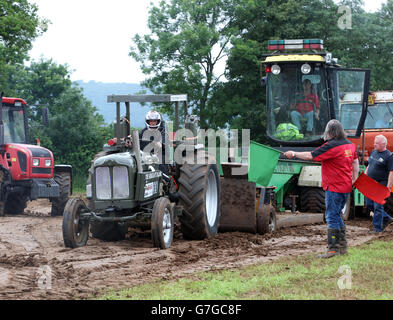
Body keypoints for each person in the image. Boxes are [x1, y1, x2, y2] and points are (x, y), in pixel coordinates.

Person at [283, 119, 359, 258]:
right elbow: (355, 162)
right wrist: (354, 179)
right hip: (346, 187)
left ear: (329, 132)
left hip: (334, 187)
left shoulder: (330, 146)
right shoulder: (350, 145)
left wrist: (294, 153)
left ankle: (333, 249)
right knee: (337, 215)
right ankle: (342, 247)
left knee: (331, 216)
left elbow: (311, 155)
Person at [365, 135, 393, 233]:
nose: (374, 144)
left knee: (377, 206)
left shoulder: (389, 156)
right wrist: (365, 175)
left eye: (376, 143)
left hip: (381, 184)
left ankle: (377, 229)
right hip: (371, 183)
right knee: (369, 204)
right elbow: (369, 165)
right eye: (374, 142)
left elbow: (391, 172)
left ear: (383, 144)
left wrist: (389, 185)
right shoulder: (373, 152)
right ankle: (387, 218)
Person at [139, 110, 170, 176]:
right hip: (145, 155)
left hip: (160, 154)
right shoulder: (143, 131)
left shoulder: (163, 131)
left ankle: (165, 181)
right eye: (151, 121)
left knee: (160, 161)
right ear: (148, 122)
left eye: (155, 121)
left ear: (158, 121)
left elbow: (161, 145)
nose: (153, 123)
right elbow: (138, 142)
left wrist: (158, 144)